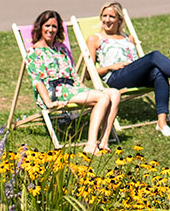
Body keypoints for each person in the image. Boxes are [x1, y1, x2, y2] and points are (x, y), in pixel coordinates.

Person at [84, 2, 170, 137]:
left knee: (158, 72)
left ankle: (162, 123)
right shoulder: (95, 39)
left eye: (111, 16)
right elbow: (88, 74)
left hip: (134, 74)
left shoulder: (129, 38)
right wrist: (109, 67)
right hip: (116, 77)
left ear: (119, 19)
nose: (107, 20)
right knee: (154, 56)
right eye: (104, 16)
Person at [24, 10, 122, 154]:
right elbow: (37, 81)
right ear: (40, 27)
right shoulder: (33, 52)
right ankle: (90, 144)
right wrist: (48, 103)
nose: (50, 30)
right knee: (102, 97)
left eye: (54, 27)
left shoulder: (61, 49)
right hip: (55, 92)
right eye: (47, 26)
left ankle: (104, 141)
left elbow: (72, 75)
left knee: (114, 93)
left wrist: (85, 89)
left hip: (71, 88)